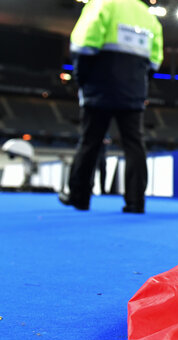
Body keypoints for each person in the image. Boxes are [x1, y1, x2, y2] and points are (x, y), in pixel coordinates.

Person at [59, 0, 163, 213]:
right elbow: (155, 61)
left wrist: (82, 79)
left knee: (90, 141)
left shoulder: (102, 4)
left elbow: (84, 44)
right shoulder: (147, 15)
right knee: (134, 143)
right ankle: (136, 201)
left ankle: (79, 197)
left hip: (100, 83)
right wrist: (138, 81)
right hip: (133, 86)